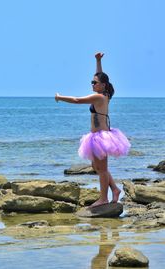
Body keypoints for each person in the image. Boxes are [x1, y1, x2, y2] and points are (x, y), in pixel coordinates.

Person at [55, 52, 131, 208]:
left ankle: (104, 198)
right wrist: (98, 61)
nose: (92, 84)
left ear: (102, 85)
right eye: (92, 82)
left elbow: (77, 100)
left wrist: (60, 97)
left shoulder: (100, 97)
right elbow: (101, 76)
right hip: (95, 136)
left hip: (101, 138)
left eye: (94, 82)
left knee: (102, 170)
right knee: (97, 167)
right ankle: (115, 190)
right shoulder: (105, 94)